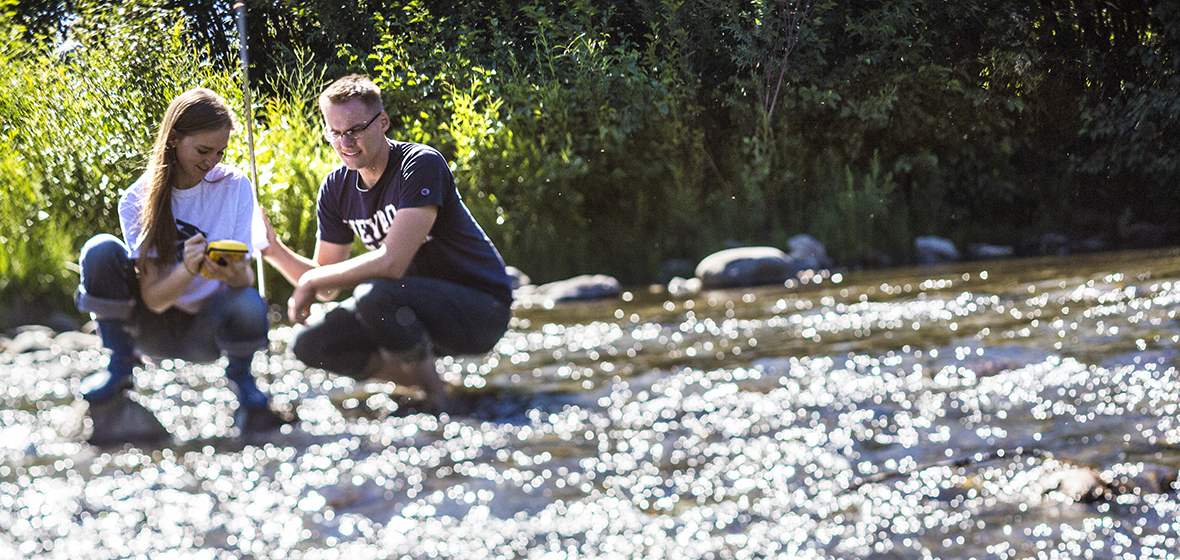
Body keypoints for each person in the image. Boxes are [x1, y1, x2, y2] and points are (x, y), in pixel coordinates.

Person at [260, 74, 513, 410]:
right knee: (310, 343)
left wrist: (312, 279)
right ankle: (435, 385)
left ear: (382, 123)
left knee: (375, 295)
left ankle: (439, 402)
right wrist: (273, 249)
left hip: (480, 310)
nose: (345, 142)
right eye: (334, 133)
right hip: (409, 310)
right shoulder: (335, 190)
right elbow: (327, 285)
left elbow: (393, 263)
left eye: (354, 130)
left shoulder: (419, 165)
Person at [76, 88, 289, 433]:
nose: (212, 162)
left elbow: (245, 282)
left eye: (220, 152)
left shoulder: (235, 186)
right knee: (100, 249)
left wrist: (234, 273)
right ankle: (119, 367)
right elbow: (155, 301)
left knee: (249, 301)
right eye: (203, 150)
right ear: (174, 138)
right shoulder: (136, 199)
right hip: (151, 327)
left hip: (208, 329)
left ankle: (244, 381)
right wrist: (188, 267)